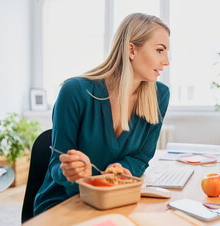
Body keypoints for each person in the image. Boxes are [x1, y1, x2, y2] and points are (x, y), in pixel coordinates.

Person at [34, 13, 170, 216]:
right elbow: (57, 163)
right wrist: (75, 173)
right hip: (66, 202)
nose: (166, 61)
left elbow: (141, 157)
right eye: (160, 50)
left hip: (115, 200)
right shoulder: (75, 91)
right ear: (131, 49)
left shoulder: (160, 95)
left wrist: (122, 168)